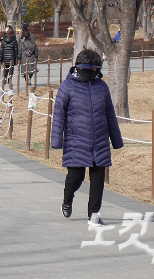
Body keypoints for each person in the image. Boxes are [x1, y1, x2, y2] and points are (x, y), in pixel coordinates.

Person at [51, 49, 123, 225]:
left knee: (98, 180)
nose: (90, 73)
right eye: (87, 70)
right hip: (76, 141)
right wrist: (56, 140)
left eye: (93, 70)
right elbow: (59, 114)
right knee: (76, 177)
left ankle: (94, 214)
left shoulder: (102, 87)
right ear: (78, 68)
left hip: (100, 141)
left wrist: (116, 140)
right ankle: (67, 199)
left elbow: (110, 114)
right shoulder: (67, 86)